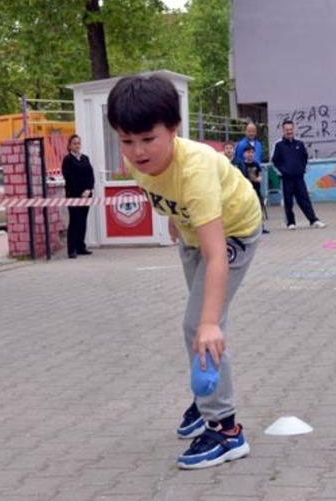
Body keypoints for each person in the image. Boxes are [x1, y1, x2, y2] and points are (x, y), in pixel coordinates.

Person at [106, 74, 262, 470]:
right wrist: (175, 222)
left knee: (201, 326)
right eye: (126, 140)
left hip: (234, 232)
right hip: (192, 233)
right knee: (201, 324)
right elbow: (164, 193)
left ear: (174, 129)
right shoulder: (137, 162)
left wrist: (210, 323)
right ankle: (205, 395)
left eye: (148, 139)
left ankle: (226, 430)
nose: (138, 151)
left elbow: (217, 255)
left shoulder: (196, 170)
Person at [271, 120, 325, 230]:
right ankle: (290, 223)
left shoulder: (300, 144)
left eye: (291, 129)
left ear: (294, 129)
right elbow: (274, 162)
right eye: (287, 130)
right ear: (283, 131)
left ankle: (313, 220)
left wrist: (302, 169)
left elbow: (305, 158)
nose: (289, 132)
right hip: (286, 179)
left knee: (305, 199)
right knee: (288, 201)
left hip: (299, 177)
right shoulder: (278, 145)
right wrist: (282, 172)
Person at [61, 134, 95, 259]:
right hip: (74, 195)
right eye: (74, 143)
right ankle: (72, 249)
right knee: (74, 221)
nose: (77, 145)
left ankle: (81, 247)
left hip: (86, 195)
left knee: (82, 220)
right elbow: (69, 178)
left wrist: (89, 189)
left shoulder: (85, 158)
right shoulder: (67, 159)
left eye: (79, 143)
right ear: (70, 145)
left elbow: (91, 175)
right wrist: (80, 192)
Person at [234, 145, 269, 234]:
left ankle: (260, 227)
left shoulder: (256, 164)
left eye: (252, 152)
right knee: (246, 209)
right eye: (248, 152)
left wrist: (258, 178)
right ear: (244, 154)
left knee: (258, 208)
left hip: (256, 189)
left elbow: (259, 175)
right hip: (245, 190)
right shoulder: (241, 165)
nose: (250, 154)